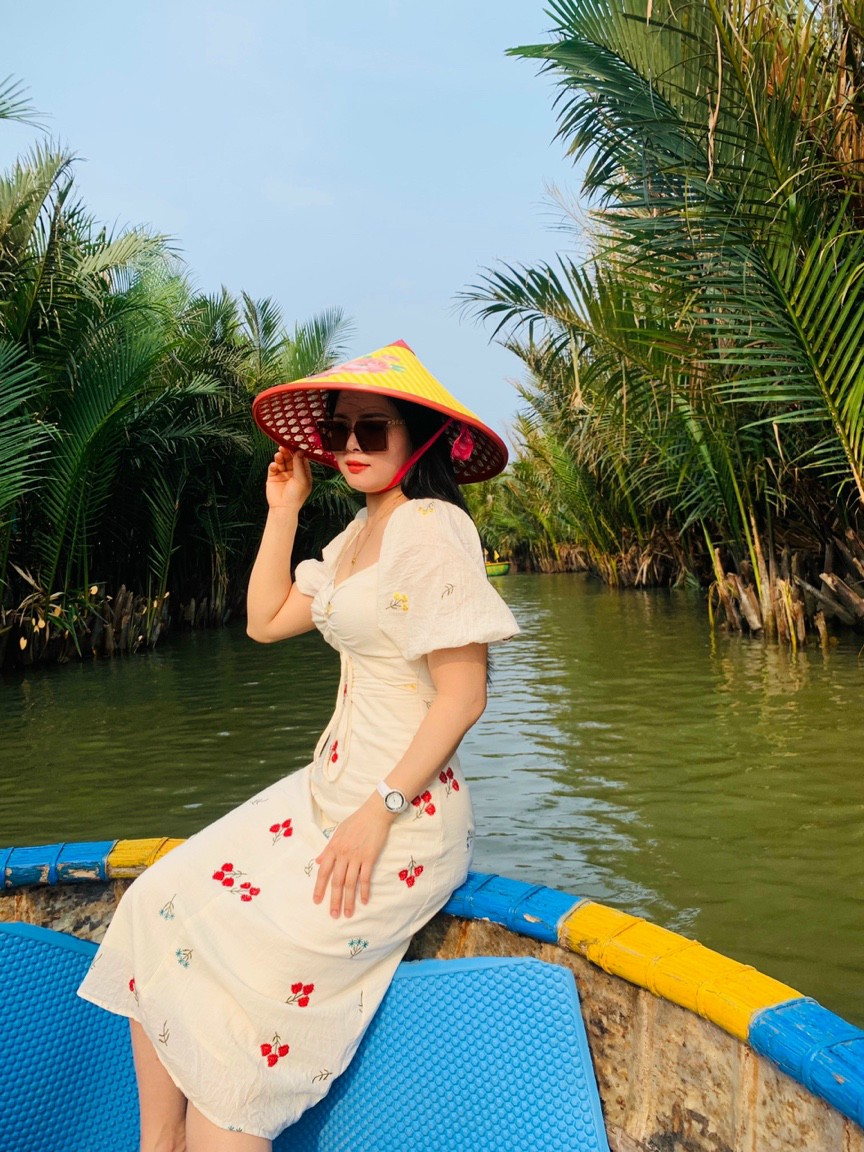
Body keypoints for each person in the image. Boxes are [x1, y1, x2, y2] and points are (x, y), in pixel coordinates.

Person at [78, 339, 519, 1151]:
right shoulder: (356, 537)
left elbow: (465, 696)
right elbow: (264, 619)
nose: (349, 446)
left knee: (247, 1033)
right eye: (339, 430)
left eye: (372, 429)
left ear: (419, 437)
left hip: (399, 818)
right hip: (321, 796)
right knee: (152, 907)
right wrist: (283, 509)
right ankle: (157, 1144)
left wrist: (378, 811)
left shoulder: (433, 530)